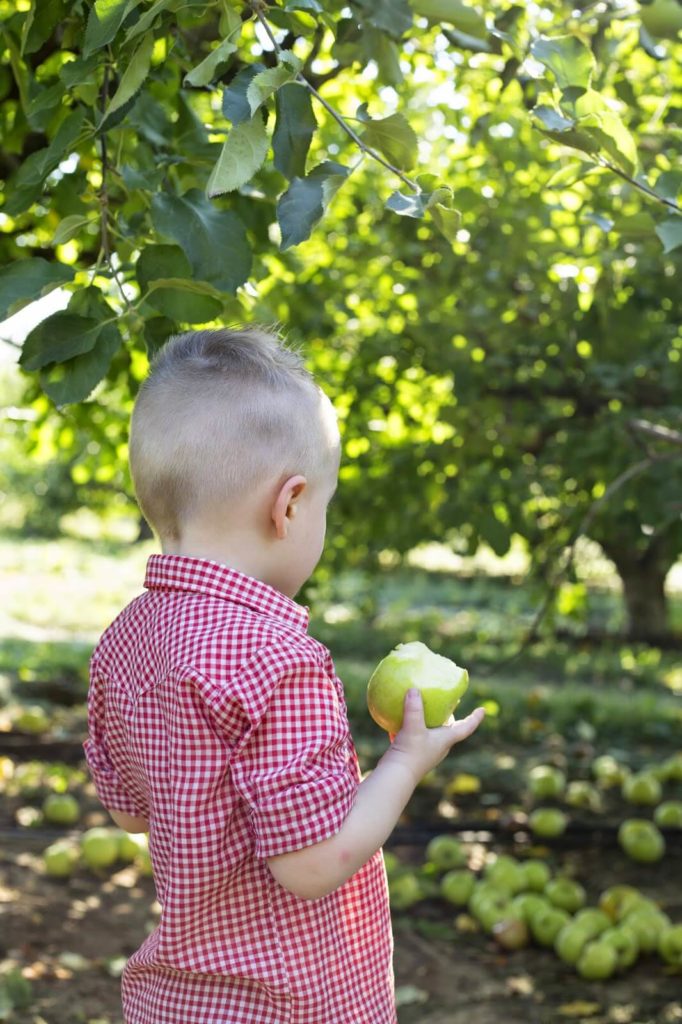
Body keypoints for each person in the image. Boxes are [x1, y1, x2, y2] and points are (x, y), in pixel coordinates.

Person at [83, 326, 485, 1024]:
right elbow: (314, 864)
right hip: (290, 1006)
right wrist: (406, 761)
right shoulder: (280, 660)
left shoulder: (123, 640)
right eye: (322, 507)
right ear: (290, 504)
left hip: (174, 1002)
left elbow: (129, 813)